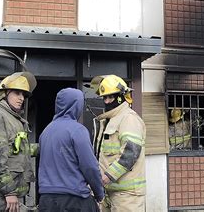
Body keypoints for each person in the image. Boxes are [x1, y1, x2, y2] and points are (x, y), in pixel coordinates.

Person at [0, 72, 37, 212]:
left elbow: (16, 150)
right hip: (1, 197)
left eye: (24, 95)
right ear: (4, 93)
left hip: (8, 196)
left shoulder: (12, 119)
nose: (21, 98)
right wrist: (9, 192)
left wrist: (45, 147)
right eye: (17, 93)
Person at [38, 88, 104, 211]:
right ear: (76, 106)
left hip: (46, 199)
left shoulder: (46, 132)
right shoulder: (77, 130)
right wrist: (99, 193)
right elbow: (90, 167)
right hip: (74, 200)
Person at [90, 75, 146, 212]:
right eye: (104, 97)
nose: (107, 101)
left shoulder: (129, 118)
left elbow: (131, 153)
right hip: (109, 192)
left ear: (122, 96)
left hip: (127, 195)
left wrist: (107, 176)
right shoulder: (109, 120)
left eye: (111, 97)